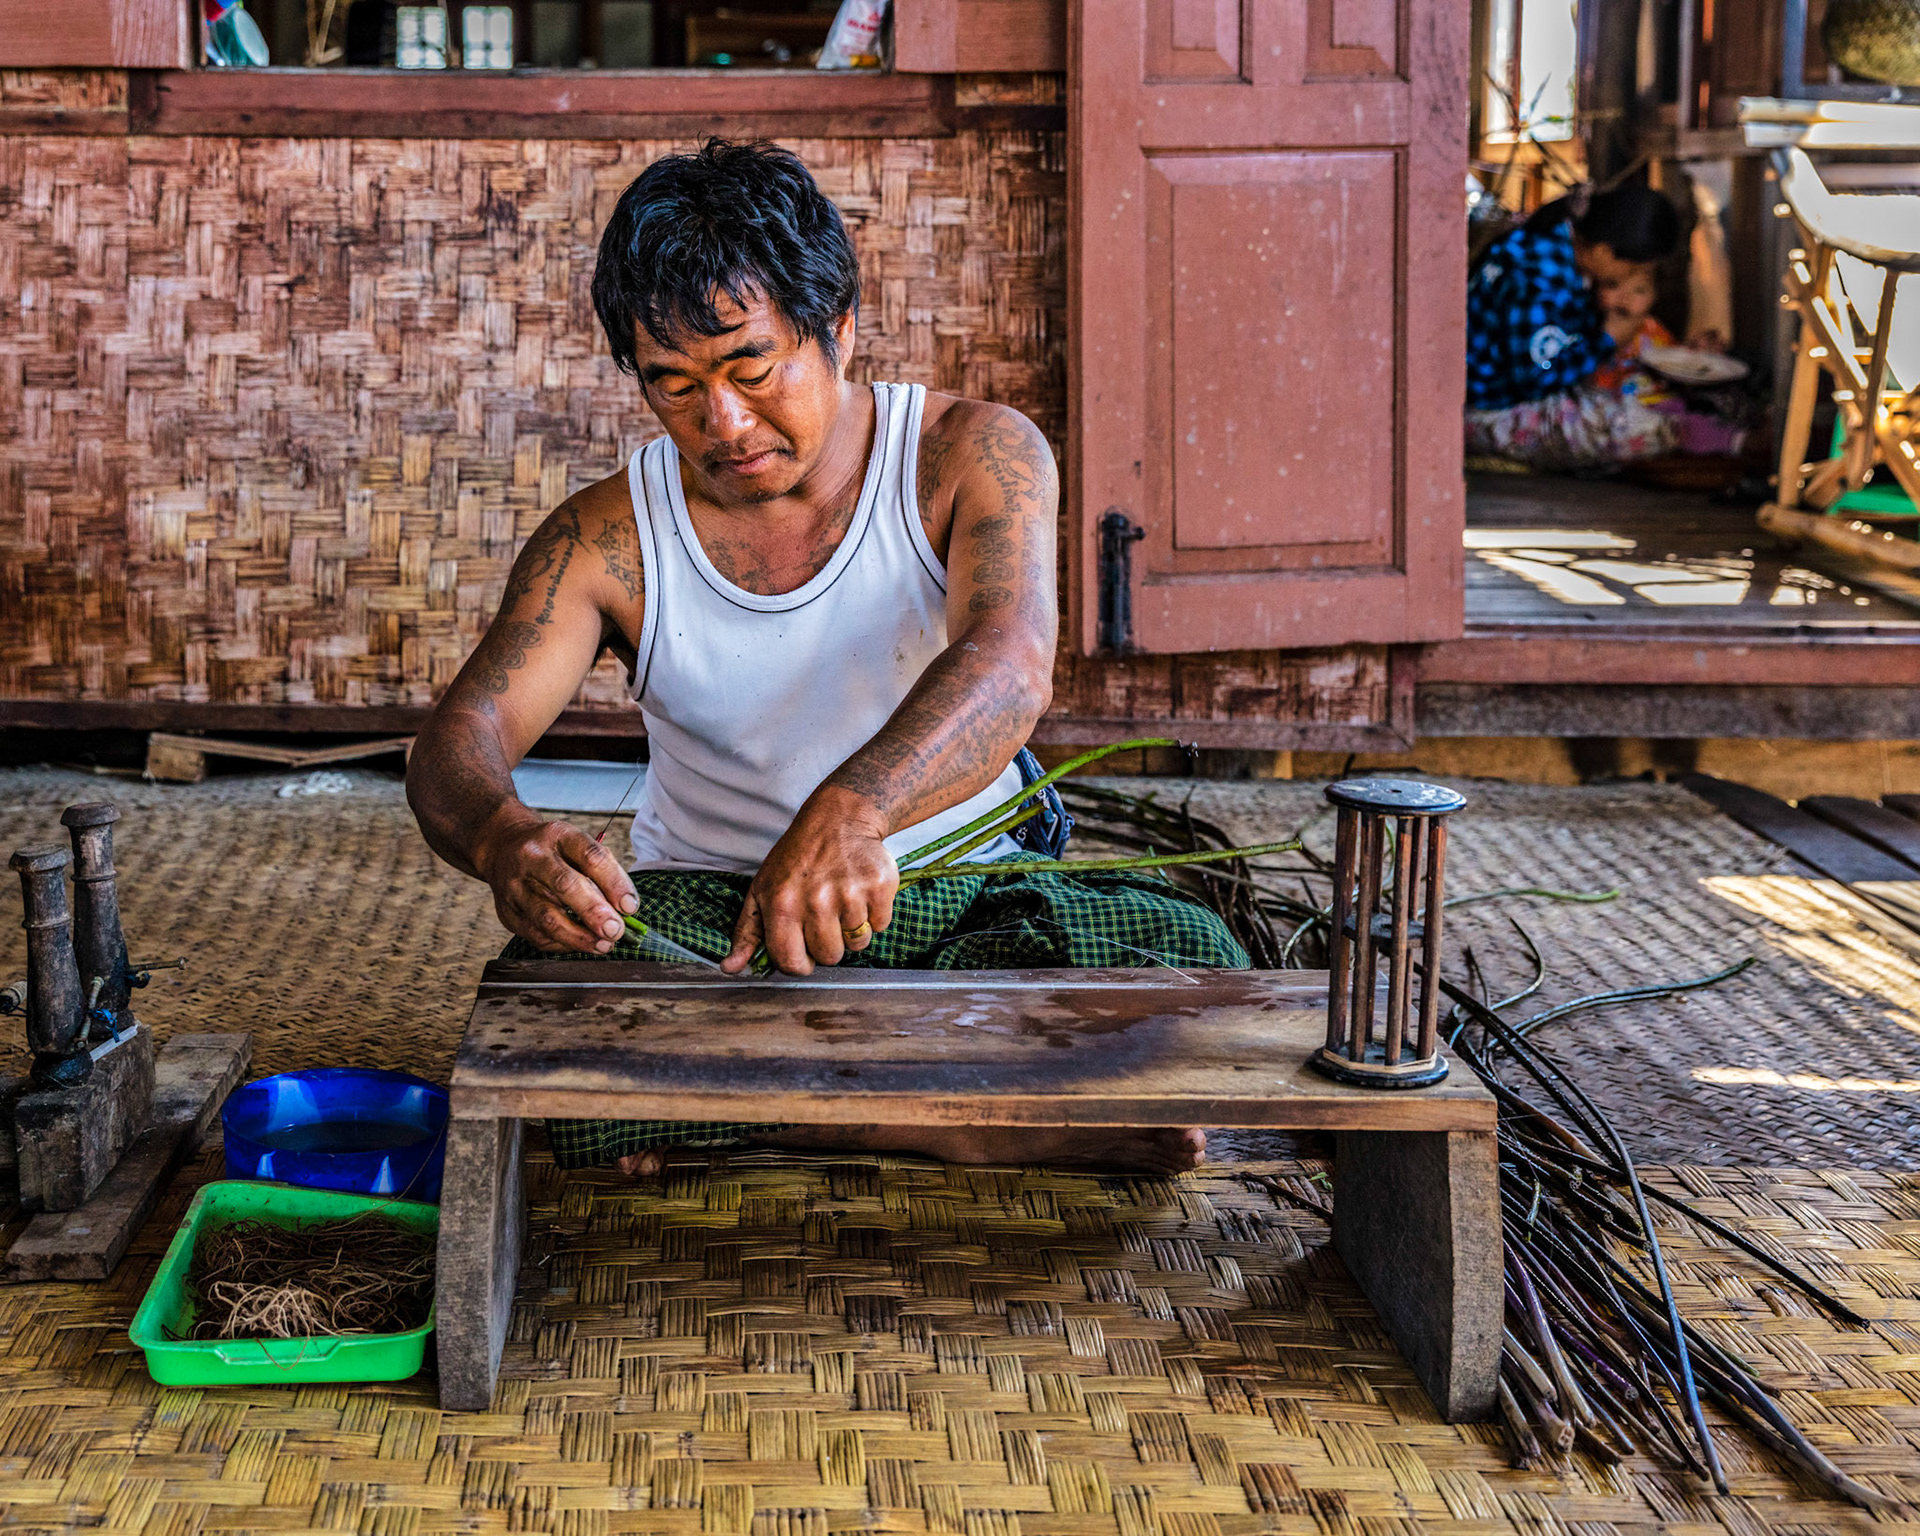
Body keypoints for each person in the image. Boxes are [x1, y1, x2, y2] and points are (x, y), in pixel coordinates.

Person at [406, 139, 1245, 1177]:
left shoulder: (972, 455)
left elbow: (1011, 664)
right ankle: (937, 1118)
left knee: (1196, 965)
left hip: (962, 891)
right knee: (549, 1012)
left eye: (752, 369)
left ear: (839, 328)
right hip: (719, 928)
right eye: (674, 386)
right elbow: (463, 735)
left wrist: (858, 812)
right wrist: (502, 838)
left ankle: (755, 1107)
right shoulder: (605, 539)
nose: (723, 422)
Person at [1465, 184, 1687, 470]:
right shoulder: (1542, 275)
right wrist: (1606, 341)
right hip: (1490, 410)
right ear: (1605, 252)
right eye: (1632, 270)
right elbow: (1533, 379)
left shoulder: (1559, 246)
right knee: (1636, 428)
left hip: (1531, 392)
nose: (1630, 279)